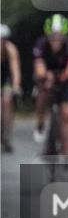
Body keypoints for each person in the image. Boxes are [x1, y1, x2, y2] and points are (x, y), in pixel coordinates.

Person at [32, 14, 68, 162]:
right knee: (42, 94)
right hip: (46, 81)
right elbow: (39, 69)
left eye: (59, 37)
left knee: (67, 113)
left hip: (66, 83)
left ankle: (66, 156)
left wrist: (60, 76)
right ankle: (40, 123)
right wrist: (47, 77)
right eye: (52, 36)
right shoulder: (41, 44)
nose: (56, 40)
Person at [1, 24, 22, 153]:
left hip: (6, 78)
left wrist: (16, 86)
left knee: (7, 100)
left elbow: (15, 70)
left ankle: (7, 136)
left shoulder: (11, 50)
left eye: (2, 40)